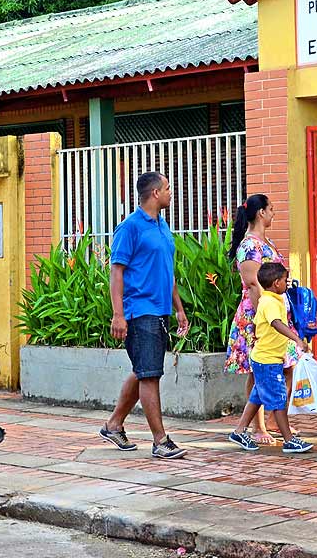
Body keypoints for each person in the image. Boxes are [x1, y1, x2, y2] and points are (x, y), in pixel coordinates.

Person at [100, 172, 190, 459]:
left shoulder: (162, 227)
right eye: (167, 188)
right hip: (140, 311)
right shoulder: (130, 228)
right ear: (154, 194)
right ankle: (160, 440)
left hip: (160, 309)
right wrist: (118, 315)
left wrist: (178, 308)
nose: (170, 192)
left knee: (143, 370)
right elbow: (116, 272)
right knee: (150, 375)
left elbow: (168, 271)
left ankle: (114, 424)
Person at [224, 194, 300, 445]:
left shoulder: (266, 242)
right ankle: (257, 427)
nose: (273, 213)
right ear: (260, 213)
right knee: (257, 371)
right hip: (259, 316)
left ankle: (276, 421)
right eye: (271, 209)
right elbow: (253, 285)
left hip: (276, 314)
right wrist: (263, 320)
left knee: (287, 366)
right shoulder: (249, 246)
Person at [228, 262, 313, 454]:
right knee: (278, 399)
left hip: (266, 358)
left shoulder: (270, 299)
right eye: (284, 280)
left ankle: (239, 431)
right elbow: (276, 324)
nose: (287, 283)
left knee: (258, 395)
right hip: (267, 361)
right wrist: (297, 340)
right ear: (276, 283)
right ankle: (289, 440)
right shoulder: (270, 303)